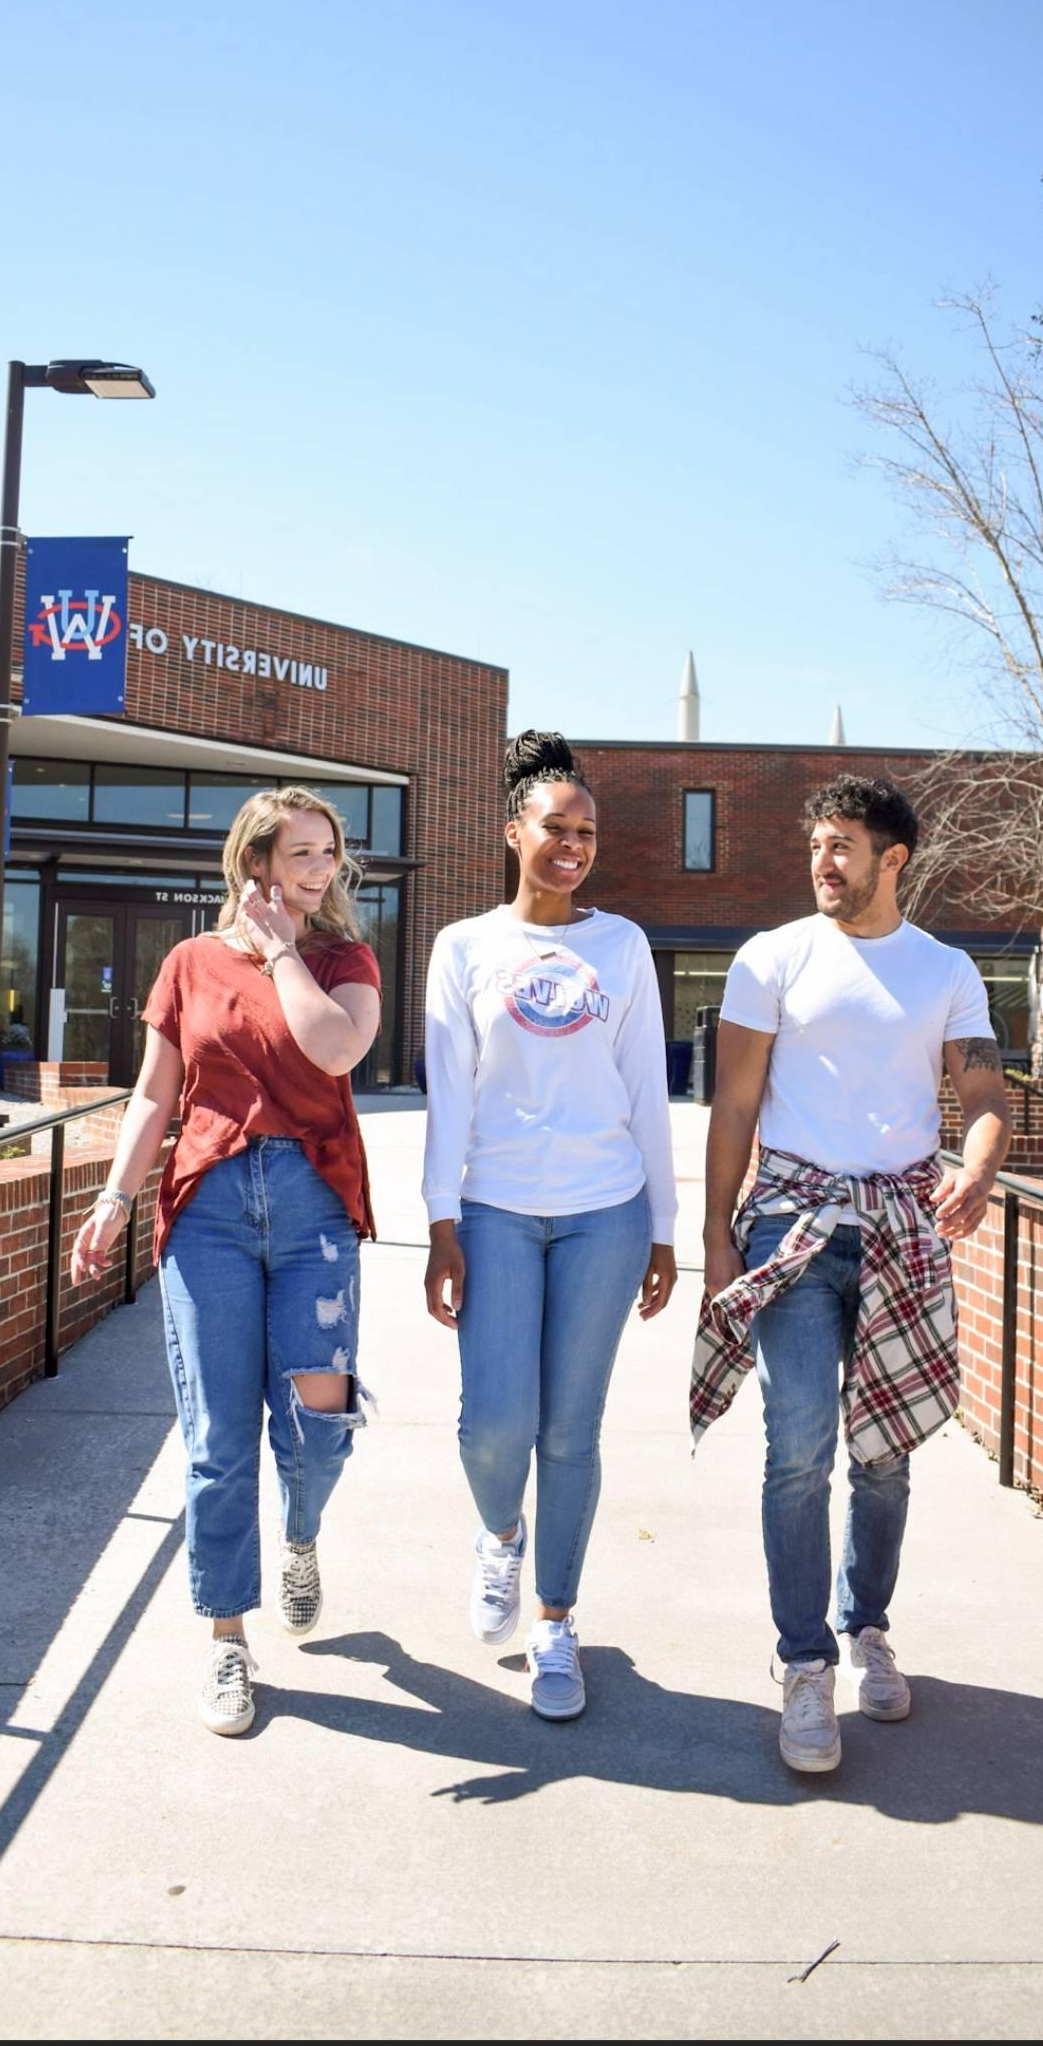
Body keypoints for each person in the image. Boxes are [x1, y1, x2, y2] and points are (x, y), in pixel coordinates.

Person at [697, 773, 1011, 1774]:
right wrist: (715, 1235)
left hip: (903, 1230)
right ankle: (803, 1664)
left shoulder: (945, 969)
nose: (823, 861)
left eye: (841, 845)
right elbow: (735, 1108)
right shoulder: (771, 958)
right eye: (815, 844)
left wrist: (983, 1160)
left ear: (892, 859)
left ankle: (866, 1624)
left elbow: (983, 1086)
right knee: (798, 1444)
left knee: (885, 1455)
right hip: (791, 1222)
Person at [70, 786, 382, 1737]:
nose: (322, 868)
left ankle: (300, 1534)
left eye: (329, 852)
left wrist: (283, 945)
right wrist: (115, 1195)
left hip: (312, 1210)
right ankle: (226, 1642)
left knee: (317, 1423)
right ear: (256, 863)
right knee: (215, 1440)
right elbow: (155, 1095)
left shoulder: (341, 959)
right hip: (207, 1206)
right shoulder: (191, 963)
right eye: (301, 853)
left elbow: (336, 1047)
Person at [423, 731, 678, 1720]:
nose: (572, 846)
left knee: (571, 1429)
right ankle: (499, 1535)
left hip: (603, 1213)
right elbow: (448, 1093)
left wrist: (663, 1228)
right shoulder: (464, 948)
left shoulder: (620, 946)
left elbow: (647, 1090)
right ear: (512, 831)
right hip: (494, 1210)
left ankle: (556, 1624)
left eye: (587, 832)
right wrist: (441, 1220)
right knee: (495, 1427)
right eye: (554, 828)